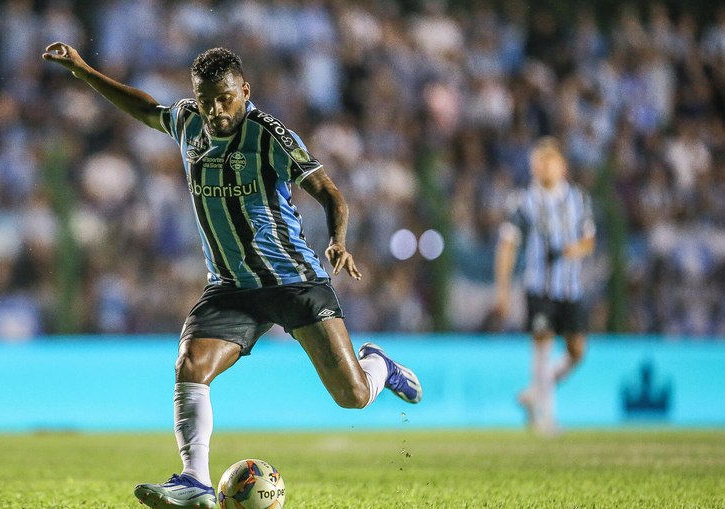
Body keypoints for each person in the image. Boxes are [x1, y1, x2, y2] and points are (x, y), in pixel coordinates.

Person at [44, 43, 422, 508]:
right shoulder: (188, 123)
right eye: (205, 100)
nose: (215, 110)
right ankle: (194, 481)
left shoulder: (270, 136)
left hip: (293, 280)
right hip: (230, 287)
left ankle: (379, 365)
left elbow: (329, 193)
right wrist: (83, 71)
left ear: (245, 90)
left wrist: (339, 239)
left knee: (353, 396)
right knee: (191, 365)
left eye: (225, 98)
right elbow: (146, 108)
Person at [493, 137, 595, 435]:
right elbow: (508, 245)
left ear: (562, 165)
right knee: (542, 347)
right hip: (539, 288)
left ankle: (534, 392)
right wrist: (502, 290)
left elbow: (590, 240)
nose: (544, 167)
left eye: (550, 160)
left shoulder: (578, 199)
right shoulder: (523, 201)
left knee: (577, 351)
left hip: (571, 289)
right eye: (539, 161)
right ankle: (547, 418)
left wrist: (570, 251)